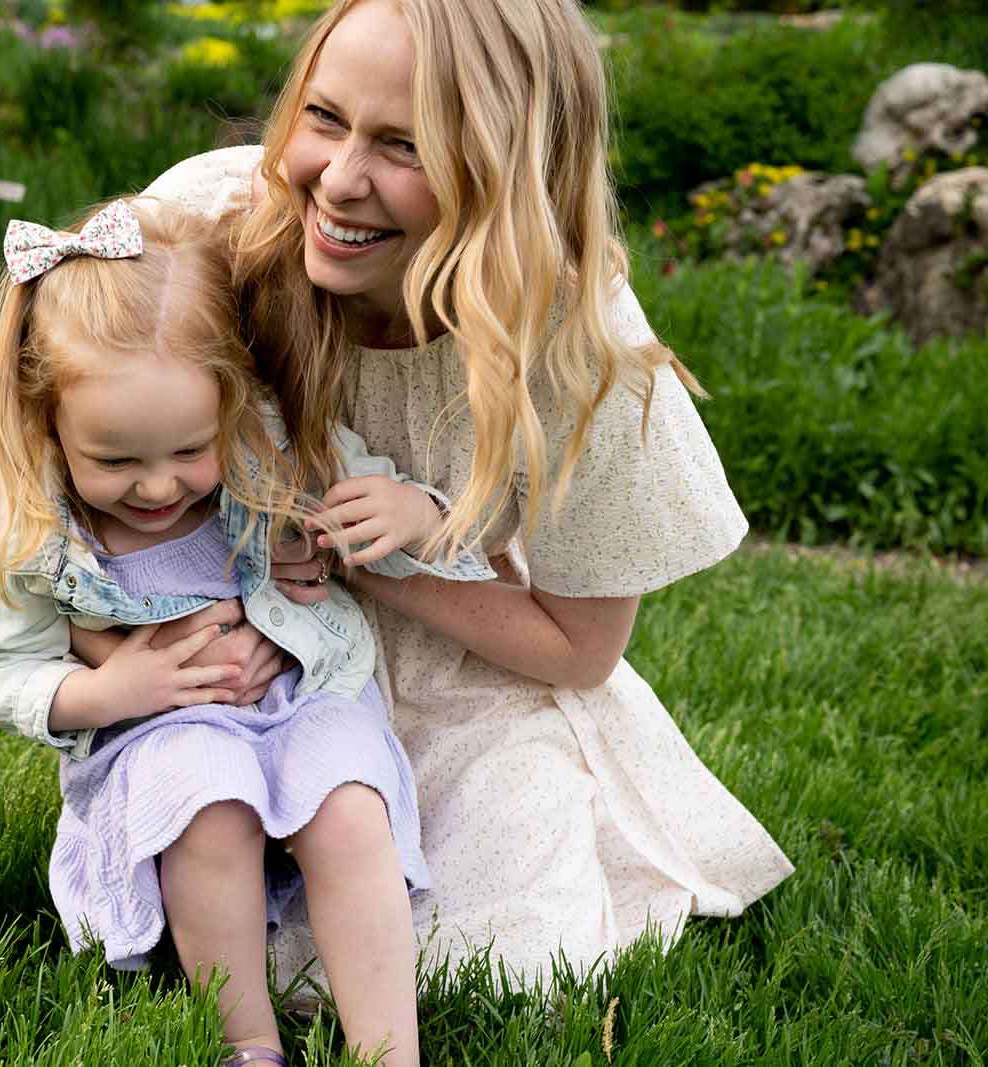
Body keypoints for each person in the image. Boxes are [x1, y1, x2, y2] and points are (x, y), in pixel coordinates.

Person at [116, 0, 795, 991]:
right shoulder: (217, 226)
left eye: (405, 147)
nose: (341, 180)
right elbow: (28, 429)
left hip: (463, 676)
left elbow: (578, 646)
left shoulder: (570, 346)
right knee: (205, 920)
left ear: (508, 169)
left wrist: (387, 559)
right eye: (323, 118)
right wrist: (112, 651)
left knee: (506, 962)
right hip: (247, 649)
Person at [0, 198, 494, 1067]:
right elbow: (3, 668)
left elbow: (392, 509)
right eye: (116, 461)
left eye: (189, 451)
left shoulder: (264, 440)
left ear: (230, 402)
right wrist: (112, 692)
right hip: (160, 726)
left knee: (348, 801)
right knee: (207, 801)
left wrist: (411, 513)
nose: (158, 487)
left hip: (302, 695)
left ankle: (390, 1050)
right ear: (47, 420)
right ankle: (248, 1043)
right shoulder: (14, 507)